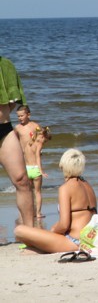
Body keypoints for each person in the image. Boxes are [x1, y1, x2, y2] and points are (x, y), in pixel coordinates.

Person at [14, 148, 97, 253]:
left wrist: (53, 230)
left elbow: (64, 225)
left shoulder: (65, 188)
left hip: (74, 242)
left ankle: (38, 249)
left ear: (63, 166)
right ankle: (37, 249)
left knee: (19, 230)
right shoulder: (88, 185)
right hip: (90, 239)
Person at [0, 56, 35, 228]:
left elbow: (13, 101)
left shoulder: (5, 65)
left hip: (4, 129)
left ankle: (30, 234)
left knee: (22, 180)